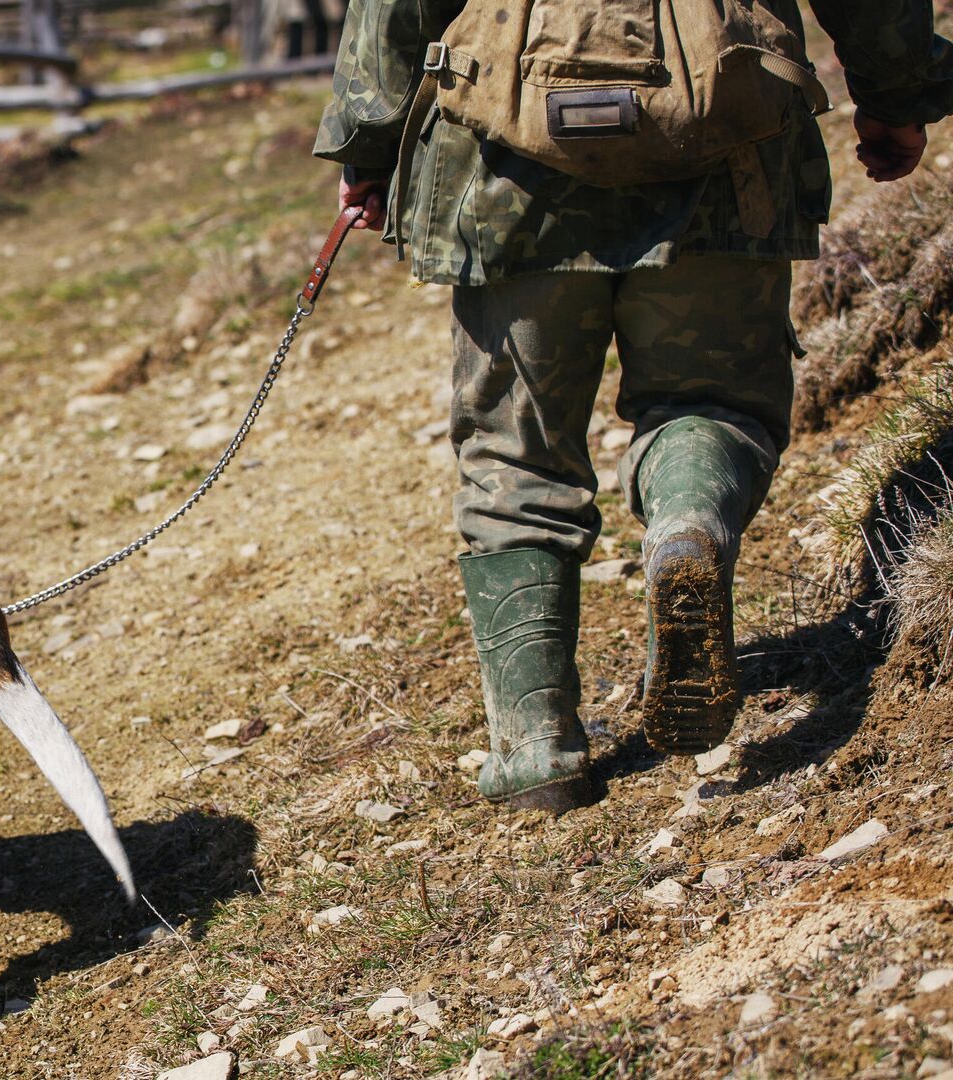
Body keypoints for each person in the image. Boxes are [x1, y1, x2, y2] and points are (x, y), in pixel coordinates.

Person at [314, 0, 952, 811]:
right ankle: (688, 527)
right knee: (712, 403)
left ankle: (536, 748)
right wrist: (899, 94)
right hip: (726, 153)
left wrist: (369, 139)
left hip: (507, 163)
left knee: (517, 452)